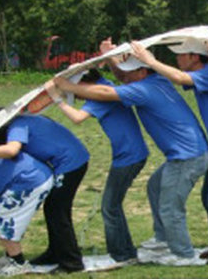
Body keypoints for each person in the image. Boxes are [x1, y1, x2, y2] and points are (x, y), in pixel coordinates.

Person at [54, 40, 208, 266]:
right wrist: (111, 58)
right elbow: (122, 78)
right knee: (155, 187)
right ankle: (163, 239)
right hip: (184, 154)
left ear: (142, 71)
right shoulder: (152, 79)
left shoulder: (143, 89)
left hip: (189, 156)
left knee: (170, 206)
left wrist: (66, 87)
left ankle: (183, 254)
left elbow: (107, 91)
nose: (124, 76)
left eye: (129, 72)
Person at [134, 38, 208, 265]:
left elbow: (179, 77)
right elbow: (182, 78)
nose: (177, 58)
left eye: (181, 54)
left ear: (194, 57)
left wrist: (150, 61)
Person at [45, 68, 148, 268]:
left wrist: (57, 99)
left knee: (109, 207)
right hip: (128, 155)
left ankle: (122, 254)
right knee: (112, 205)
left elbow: (77, 118)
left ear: (83, 83)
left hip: (129, 157)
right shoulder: (104, 85)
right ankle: (125, 252)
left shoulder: (100, 95)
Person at [0, 110, 89, 272]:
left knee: (57, 211)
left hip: (71, 164)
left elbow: (11, 150)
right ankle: (55, 253)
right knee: (53, 210)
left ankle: (71, 263)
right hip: (72, 159)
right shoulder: (22, 120)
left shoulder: (17, 127)